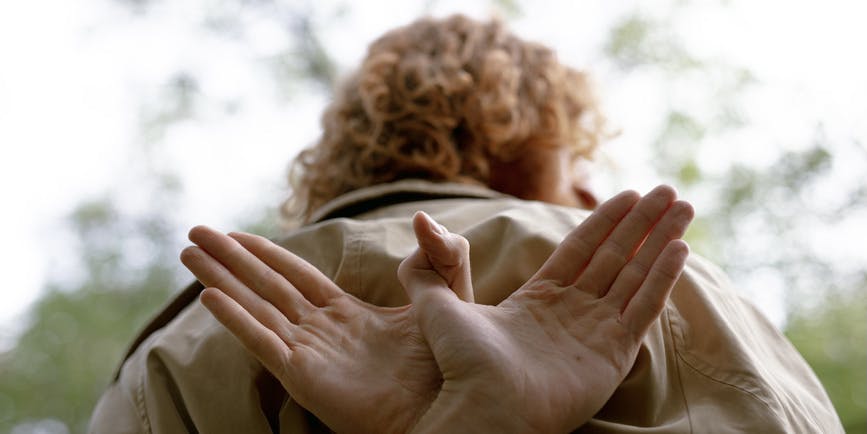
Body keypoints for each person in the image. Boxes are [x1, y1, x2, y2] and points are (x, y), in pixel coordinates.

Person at [89, 14, 842, 433]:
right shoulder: (654, 292)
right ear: (533, 140)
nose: (588, 186)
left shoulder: (180, 345)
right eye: (577, 157)